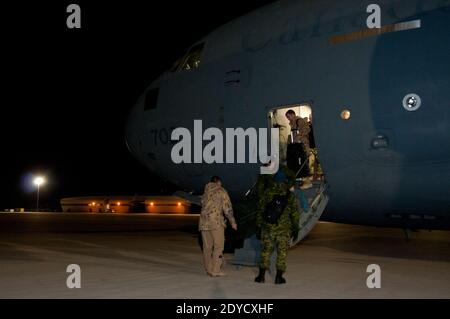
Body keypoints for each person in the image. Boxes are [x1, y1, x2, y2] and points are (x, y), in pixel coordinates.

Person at [254, 169, 300, 284]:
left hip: (268, 227)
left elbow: (260, 210)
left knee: (265, 251)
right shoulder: (289, 194)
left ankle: (261, 277)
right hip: (283, 230)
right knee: (282, 253)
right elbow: (294, 213)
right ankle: (279, 278)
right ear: (284, 180)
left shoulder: (267, 193)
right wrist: (295, 228)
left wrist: (259, 226)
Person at [199, 176, 237, 277]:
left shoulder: (205, 192)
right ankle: (215, 270)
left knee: (207, 247)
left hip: (203, 223)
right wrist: (233, 222)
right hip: (216, 223)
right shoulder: (221, 191)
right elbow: (227, 208)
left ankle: (208, 269)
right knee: (219, 246)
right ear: (219, 182)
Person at [285, 110, 312, 189]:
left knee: (303, 164)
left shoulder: (299, 121)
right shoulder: (293, 124)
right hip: (298, 148)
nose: (288, 119)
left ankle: (307, 182)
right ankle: (302, 182)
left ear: (293, 114)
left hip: (303, 147)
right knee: (299, 164)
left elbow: (307, 129)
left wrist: (298, 136)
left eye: (288, 117)